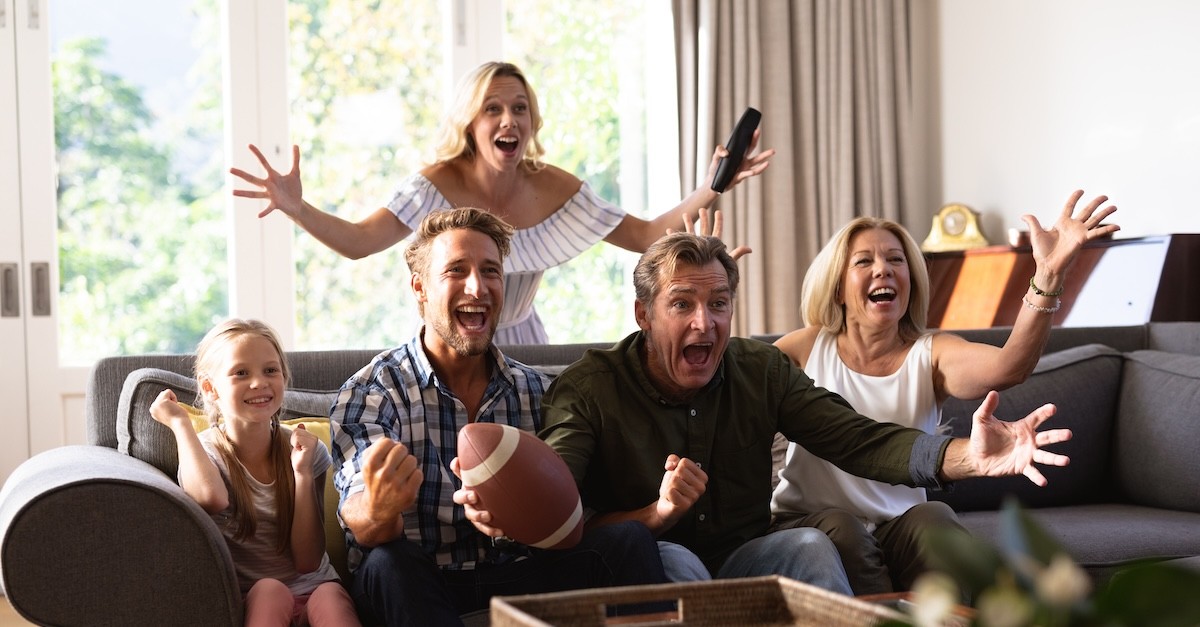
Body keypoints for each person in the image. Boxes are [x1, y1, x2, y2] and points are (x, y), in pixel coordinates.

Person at [538, 232, 1073, 594]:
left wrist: (971, 458)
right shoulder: (588, 387)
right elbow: (559, 510)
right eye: (681, 304)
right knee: (674, 560)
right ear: (643, 315)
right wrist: (656, 513)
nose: (704, 323)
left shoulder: (761, 370)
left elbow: (860, 440)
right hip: (657, 552)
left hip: (746, 555)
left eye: (719, 304)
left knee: (810, 545)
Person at [230, 60, 772, 344]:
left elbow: (643, 235)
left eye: (519, 108)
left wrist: (713, 186)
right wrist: (296, 207)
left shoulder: (554, 184)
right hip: (450, 339)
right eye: (492, 109)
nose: (508, 120)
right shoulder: (434, 183)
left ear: (532, 122)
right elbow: (356, 242)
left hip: (524, 342)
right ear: (471, 120)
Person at [328, 207, 667, 626]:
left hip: (523, 574)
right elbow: (362, 524)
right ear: (419, 288)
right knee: (386, 564)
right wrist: (380, 507)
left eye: (491, 271)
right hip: (426, 582)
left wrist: (520, 518)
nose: (478, 286)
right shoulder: (372, 394)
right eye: (456, 270)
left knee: (628, 541)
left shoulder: (539, 392)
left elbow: (578, 515)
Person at [768, 190, 1119, 595]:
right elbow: (737, 392)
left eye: (895, 260)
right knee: (843, 530)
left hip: (896, 526)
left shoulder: (931, 354)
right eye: (864, 261)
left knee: (934, 515)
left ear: (911, 281)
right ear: (837, 288)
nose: (883, 269)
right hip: (810, 520)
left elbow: (1010, 366)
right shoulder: (803, 348)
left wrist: (1048, 275)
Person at [150, 319, 360, 627]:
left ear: (284, 377)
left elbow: (308, 561)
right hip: (254, 598)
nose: (259, 382)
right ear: (210, 388)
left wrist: (301, 475)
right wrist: (180, 424)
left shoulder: (306, 451)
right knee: (270, 589)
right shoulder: (204, 452)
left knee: (330, 596)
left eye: (270, 370)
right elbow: (210, 499)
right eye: (241, 373)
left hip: (315, 586)